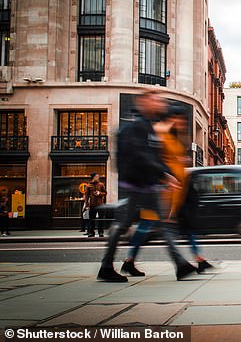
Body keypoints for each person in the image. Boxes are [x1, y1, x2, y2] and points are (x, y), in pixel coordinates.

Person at [97, 89, 196, 282]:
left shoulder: (148, 126)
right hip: (137, 185)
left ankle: (180, 265)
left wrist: (165, 173)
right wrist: (165, 175)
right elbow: (142, 156)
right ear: (144, 102)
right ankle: (108, 266)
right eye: (155, 100)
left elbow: (154, 156)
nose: (160, 103)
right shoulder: (139, 127)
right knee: (131, 225)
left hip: (145, 184)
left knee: (153, 225)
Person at [122, 103, 212, 276]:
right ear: (172, 118)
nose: (183, 123)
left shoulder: (176, 136)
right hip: (162, 190)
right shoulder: (160, 133)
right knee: (149, 226)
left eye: (184, 120)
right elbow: (154, 160)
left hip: (178, 189)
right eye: (180, 119)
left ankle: (131, 261)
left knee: (154, 226)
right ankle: (182, 264)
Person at [85, 172, 107, 237]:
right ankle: (91, 232)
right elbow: (86, 196)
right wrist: (87, 205)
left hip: (100, 205)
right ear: (93, 177)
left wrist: (99, 193)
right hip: (92, 204)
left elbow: (105, 193)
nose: (98, 177)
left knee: (101, 219)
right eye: (97, 176)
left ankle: (100, 232)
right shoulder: (88, 185)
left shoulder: (101, 184)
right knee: (92, 219)